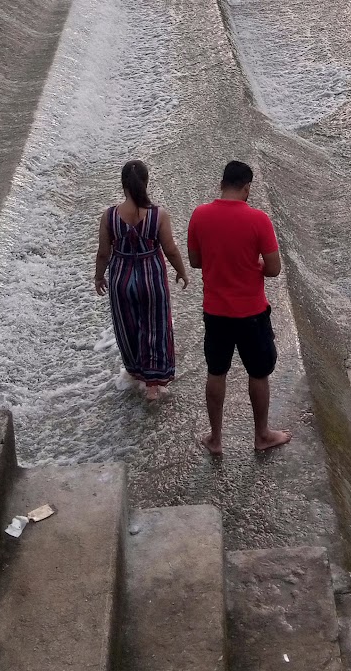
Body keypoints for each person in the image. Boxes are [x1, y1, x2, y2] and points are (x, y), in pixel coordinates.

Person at [187, 159, 291, 454]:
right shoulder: (259, 220)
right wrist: (253, 264)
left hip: (216, 312)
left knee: (216, 372)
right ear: (247, 188)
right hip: (252, 314)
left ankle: (216, 439)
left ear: (221, 184)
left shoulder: (200, 215)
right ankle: (261, 436)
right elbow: (273, 269)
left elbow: (195, 261)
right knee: (258, 373)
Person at [95, 160, 188, 399]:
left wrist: (98, 277)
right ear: (146, 183)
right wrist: (181, 271)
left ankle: (136, 373)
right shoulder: (158, 215)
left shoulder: (110, 216)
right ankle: (153, 386)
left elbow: (104, 252)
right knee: (155, 327)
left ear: (122, 184)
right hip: (152, 279)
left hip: (121, 281)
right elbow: (171, 249)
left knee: (128, 327)